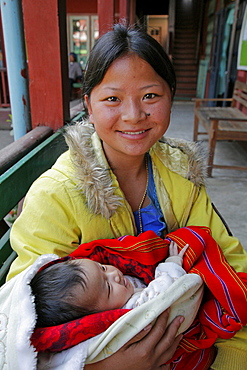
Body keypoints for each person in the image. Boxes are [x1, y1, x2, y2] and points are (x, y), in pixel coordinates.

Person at [7, 22, 247, 369]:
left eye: (150, 95)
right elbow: (23, 317)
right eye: (112, 99)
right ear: (88, 105)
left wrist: (234, 355)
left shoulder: (180, 174)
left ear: (171, 95)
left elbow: (228, 265)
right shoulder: (57, 195)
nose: (134, 116)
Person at [30, 241, 189, 327]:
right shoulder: (133, 308)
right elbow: (166, 290)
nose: (114, 274)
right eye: (108, 287)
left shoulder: (118, 290)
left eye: (103, 268)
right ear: (99, 316)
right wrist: (172, 264)